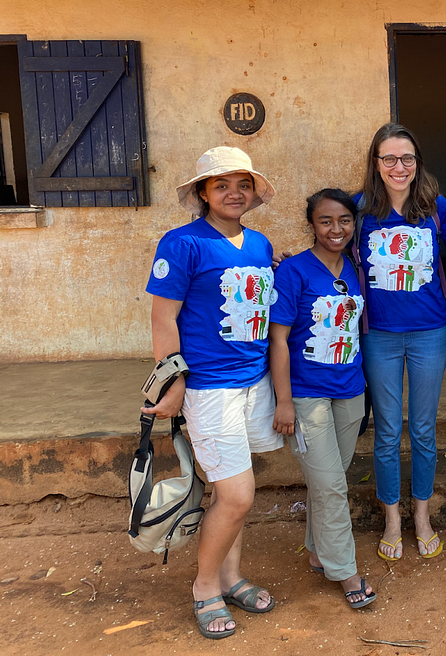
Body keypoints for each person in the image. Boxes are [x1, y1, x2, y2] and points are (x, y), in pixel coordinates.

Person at [144, 146, 281, 640]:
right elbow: (163, 319)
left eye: (242, 184)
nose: (234, 193)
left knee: (231, 494)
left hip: (254, 382)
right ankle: (205, 587)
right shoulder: (182, 244)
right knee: (238, 496)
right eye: (221, 185)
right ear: (202, 192)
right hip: (208, 387)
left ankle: (231, 576)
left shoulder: (260, 244)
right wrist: (174, 382)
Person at [268, 189, 376, 609]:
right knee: (331, 485)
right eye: (326, 221)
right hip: (307, 394)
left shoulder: (353, 269)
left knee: (328, 479)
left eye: (345, 220)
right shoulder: (293, 272)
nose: (337, 229)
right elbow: (278, 340)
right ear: (311, 224)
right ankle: (346, 572)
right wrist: (284, 401)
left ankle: (317, 550)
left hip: (350, 391)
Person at [356, 123, 446, 562]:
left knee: (425, 430)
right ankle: (392, 518)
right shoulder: (359, 211)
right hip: (379, 335)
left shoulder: (435, 207)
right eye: (389, 158)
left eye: (407, 158)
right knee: (388, 432)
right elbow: (330, 250)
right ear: (376, 164)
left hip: (429, 332)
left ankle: (422, 515)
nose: (399, 167)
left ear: (418, 163)